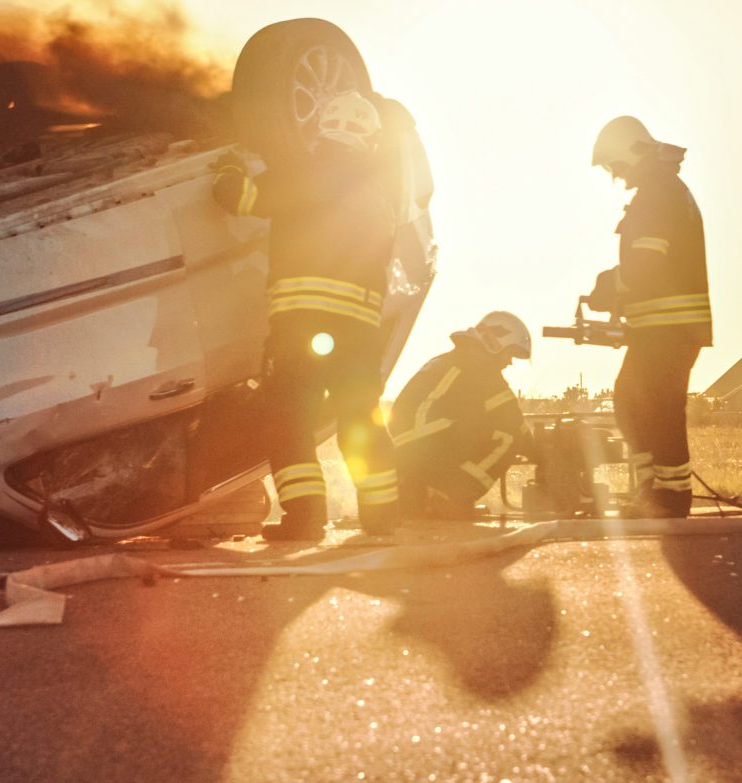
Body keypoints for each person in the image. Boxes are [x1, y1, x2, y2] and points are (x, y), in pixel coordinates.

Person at [213, 92, 401, 541]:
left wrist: (227, 170)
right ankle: (382, 517)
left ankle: (305, 519)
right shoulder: (380, 197)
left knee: (289, 418)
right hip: (360, 333)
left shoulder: (303, 171)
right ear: (370, 140)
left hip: (302, 326)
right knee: (361, 419)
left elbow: (240, 198)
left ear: (320, 128)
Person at [587, 115, 712, 517]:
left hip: (669, 328)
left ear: (629, 152)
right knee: (631, 403)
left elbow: (645, 264)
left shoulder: (658, 194)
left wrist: (608, 286)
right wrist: (621, 300)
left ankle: (670, 496)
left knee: (657, 408)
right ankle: (653, 491)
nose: (615, 174)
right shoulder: (662, 189)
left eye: (614, 164)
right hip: (660, 326)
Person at [389, 312, 531, 520]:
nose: (510, 362)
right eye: (510, 354)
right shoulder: (480, 367)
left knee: (480, 426)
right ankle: (449, 497)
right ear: (495, 344)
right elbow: (514, 422)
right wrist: (545, 455)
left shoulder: (449, 360)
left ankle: (423, 493)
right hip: (425, 451)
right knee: (509, 437)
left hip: (401, 454)